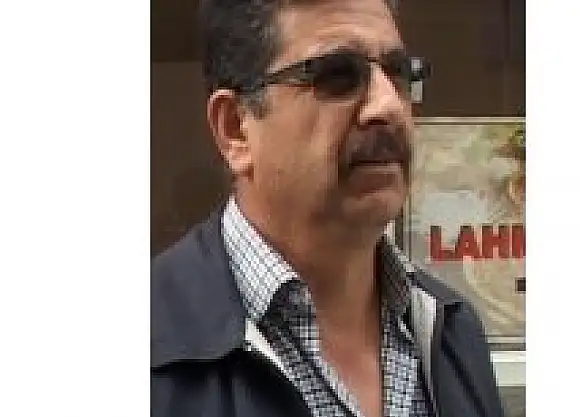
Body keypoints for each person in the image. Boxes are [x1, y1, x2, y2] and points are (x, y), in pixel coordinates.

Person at [151, 0, 505, 416]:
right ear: (235, 129)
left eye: (398, 73)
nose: (388, 106)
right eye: (337, 75)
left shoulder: (451, 330)